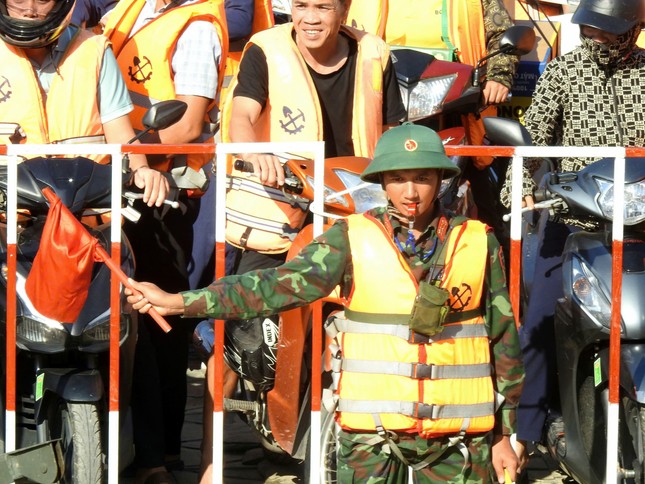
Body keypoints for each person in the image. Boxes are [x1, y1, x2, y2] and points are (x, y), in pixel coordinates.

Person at [128, 123, 524, 484]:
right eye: (398, 178)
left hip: (457, 438)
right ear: (382, 183)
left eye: (422, 178)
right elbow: (274, 286)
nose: (410, 192)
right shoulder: (350, 237)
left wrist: (505, 435)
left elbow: (504, 342)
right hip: (372, 437)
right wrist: (180, 302)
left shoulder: (477, 241)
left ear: (440, 180)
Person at [499, 0, 645, 471]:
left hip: (641, 224)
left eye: (606, 32)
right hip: (575, 219)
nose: (595, 39)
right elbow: (534, 135)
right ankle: (522, 438)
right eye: (589, 30)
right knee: (539, 324)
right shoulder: (563, 72)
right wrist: (518, 188)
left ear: (633, 29)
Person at [101, 1, 227, 482]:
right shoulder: (128, 11)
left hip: (164, 193)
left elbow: (189, 124)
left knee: (158, 325)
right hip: (113, 187)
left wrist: (132, 156)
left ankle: (161, 454)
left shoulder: (195, 27)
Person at [346, 0, 520, 263]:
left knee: (489, 203)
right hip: (378, 98)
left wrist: (498, 77)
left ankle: (495, 279)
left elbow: (501, 33)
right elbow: (332, 24)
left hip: (453, 104)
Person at [0, 0, 168, 207]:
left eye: (43, 0)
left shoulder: (94, 50)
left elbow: (121, 134)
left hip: (83, 211)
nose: (29, 11)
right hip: (9, 214)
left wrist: (142, 170)